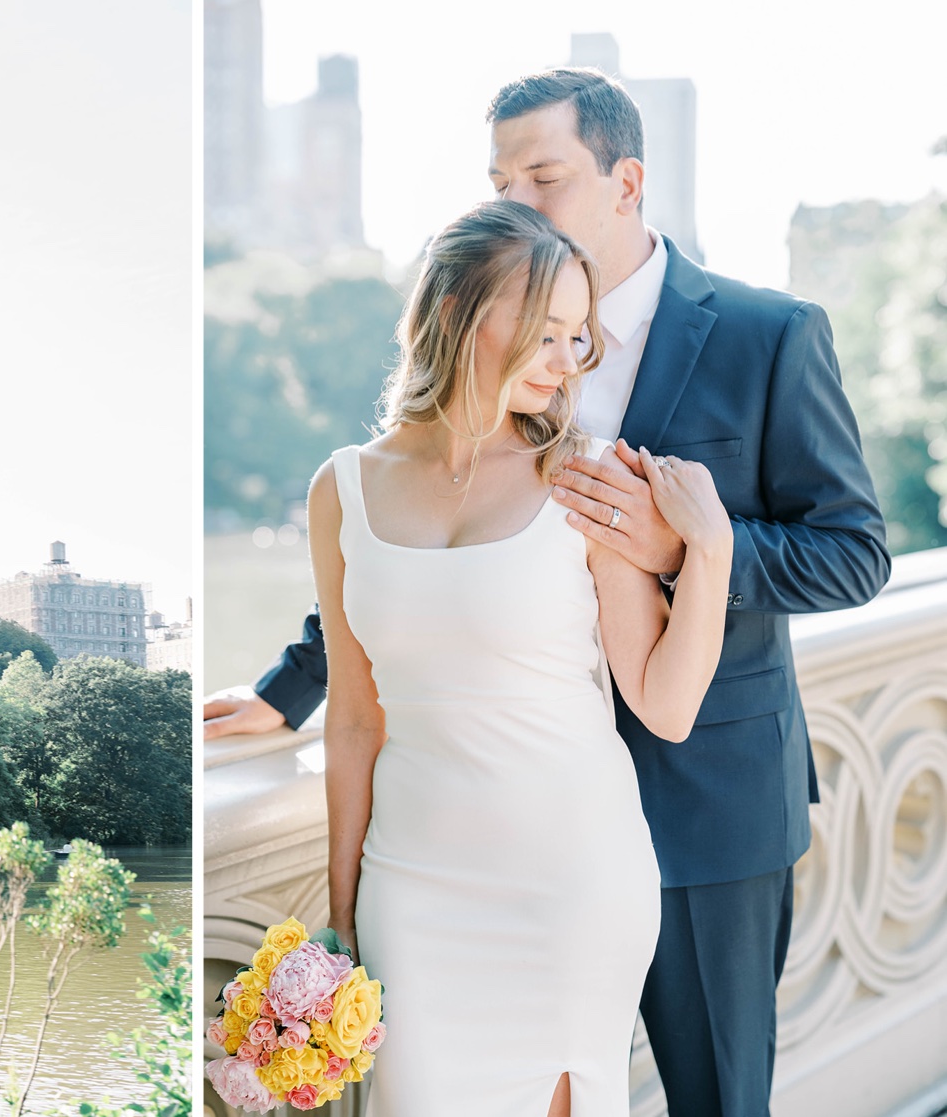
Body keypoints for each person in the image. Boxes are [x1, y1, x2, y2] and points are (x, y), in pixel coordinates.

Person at [204, 69, 891, 1115]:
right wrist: (284, 692)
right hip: (433, 857)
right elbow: (413, 588)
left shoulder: (766, 335)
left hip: (697, 804)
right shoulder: (364, 472)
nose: (517, 198)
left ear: (627, 182)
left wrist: (691, 547)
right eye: (500, 177)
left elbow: (851, 551)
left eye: (545, 175)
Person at [313, 197, 730, 1115]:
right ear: (462, 314)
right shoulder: (341, 489)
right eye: (548, 332)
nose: (570, 360)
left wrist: (714, 552)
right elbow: (352, 717)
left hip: (569, 881)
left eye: (580, 336)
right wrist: (340, 915)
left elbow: (664, 702)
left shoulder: (582, 473)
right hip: (412, 889)